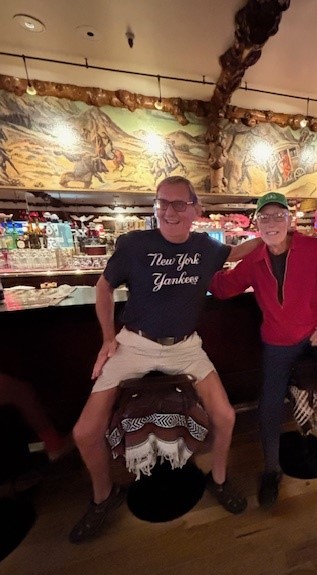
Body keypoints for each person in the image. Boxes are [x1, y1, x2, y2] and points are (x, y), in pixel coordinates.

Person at [69, 176, 261, 543]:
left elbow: (239, 252)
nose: (169, 211)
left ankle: (219, 479)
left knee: (226, 416)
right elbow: (103, 287)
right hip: (134, 344)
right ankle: (103, 497)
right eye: (162, 203)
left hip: (186, 347)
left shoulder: (206, 247)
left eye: (179, 204)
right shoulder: (134, 244)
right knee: (85, 432)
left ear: (195, 209)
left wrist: (275, 231)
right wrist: (107, 338)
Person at [210, 192, 317, 515]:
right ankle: (271, 470)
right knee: (269, 405)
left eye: (278, 215)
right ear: (256, 224)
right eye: (265, 217)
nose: (272, 222)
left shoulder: (313, 249)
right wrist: (214, 256)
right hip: (277, 341)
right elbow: (220, 288)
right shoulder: (253, 260)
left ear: (290, 221)